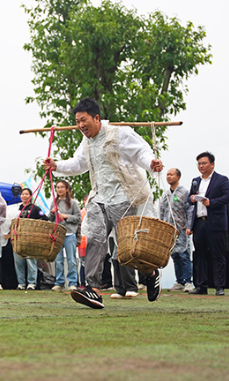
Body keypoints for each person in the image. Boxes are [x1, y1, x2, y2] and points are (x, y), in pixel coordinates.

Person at [43, 98, 164, 309]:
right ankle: (94, 289)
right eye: (77, 121)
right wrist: (56, 165)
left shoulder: (119, 133)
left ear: (96, 118)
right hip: (99, 198)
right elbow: (78, 163)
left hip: (125, 197)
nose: (80, 125)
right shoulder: (86, 141)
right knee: (95, 240)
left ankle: (151, 273)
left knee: (129, 249)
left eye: (84, 120)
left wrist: (151, 163)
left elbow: (141, 152)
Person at [187, 151, 229, 296]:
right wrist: (192, 199)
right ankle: (201, 286)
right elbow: (189, 199)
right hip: (199, 223)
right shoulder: (196, 180)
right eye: (199, 164)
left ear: (212, 164)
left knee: (217, 255)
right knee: (199, 255)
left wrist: (211, 202)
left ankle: (219, 286)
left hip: (215, 223)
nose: (201, 166)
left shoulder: (221, 180)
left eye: (204, 163)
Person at [159, 168, 192, 292]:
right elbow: (162, 211)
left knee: (184, 254)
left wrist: (189, 226)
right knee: (175, 255)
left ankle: (188, 281)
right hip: (169, 230)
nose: (168, 177)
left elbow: (189, 210)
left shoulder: (184, 193)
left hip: (181, 229)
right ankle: (180, 281)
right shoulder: (166, 194)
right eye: (167, 174)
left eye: (171, 174)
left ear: (178, 177)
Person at [50, 180, 81, 292]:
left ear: (67, 189)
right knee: (58, 260)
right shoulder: (54, 202)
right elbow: (50, 219)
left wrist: (66, 216)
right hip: (57, 235)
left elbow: (78, 218)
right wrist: (52, 213)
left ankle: (73, 282)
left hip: (69, 234)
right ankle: (59, 282)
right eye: (58, 187)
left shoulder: (73, 203)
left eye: (62, 187)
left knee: (71, 259)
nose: (60, 189)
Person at [14, 187, 46, 290]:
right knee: (19, 262)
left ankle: (32, 283)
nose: (24, 196)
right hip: (18, 239)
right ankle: (21, 283)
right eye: (22, 194)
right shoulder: (17, 209)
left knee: (31, 261)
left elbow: (44, 218)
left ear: (31, 196)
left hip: (30, 239)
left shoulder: (36, 209)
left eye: (26, 194)